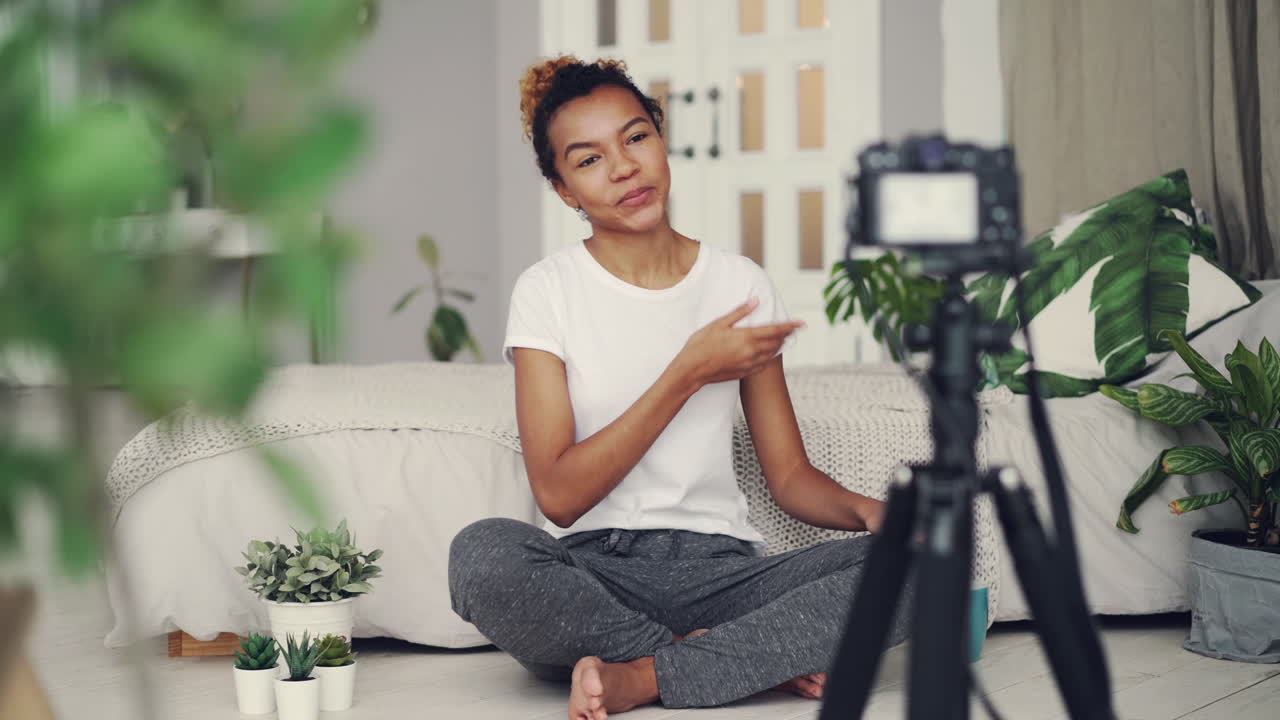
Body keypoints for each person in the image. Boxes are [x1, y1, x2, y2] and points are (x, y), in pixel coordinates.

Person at [448, 56, 909, 720]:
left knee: (925, 564)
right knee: (482, 555)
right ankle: (713, 661)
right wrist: (686, 371)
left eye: (636, 137)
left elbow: (789, 475)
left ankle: (644, 675)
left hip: (722, 572)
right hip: (594, 576)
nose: (624, 167)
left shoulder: (738, 283)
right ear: (563, 191)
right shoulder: (547, 292)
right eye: (588, 160)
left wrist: (875, 514)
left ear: (660, 141)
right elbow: (560, 495)